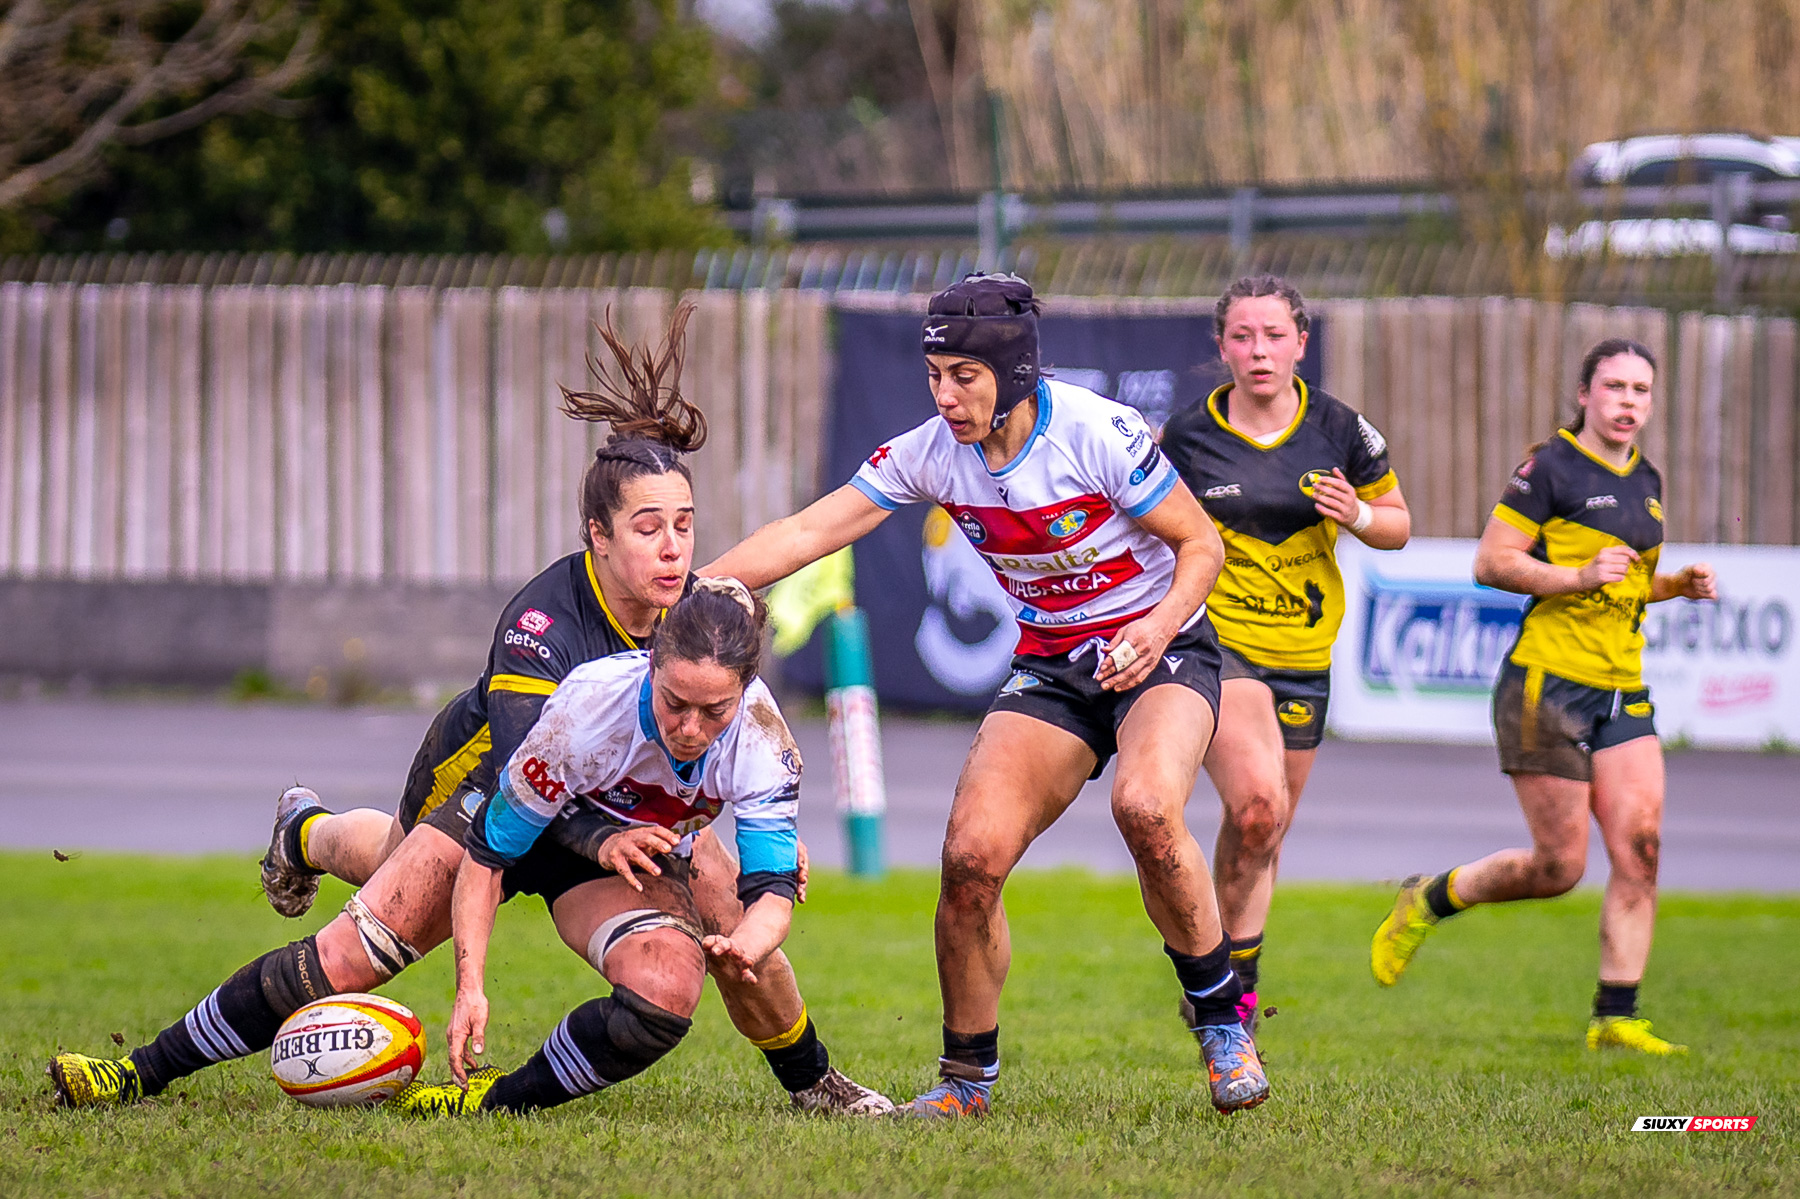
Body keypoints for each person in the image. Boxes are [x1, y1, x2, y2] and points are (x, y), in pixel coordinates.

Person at [45, 307, 889, 1116]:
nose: (672, 549)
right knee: (364, 931)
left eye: (684, 526)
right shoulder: (541, 630)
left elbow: (779, 590)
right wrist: (616, 844)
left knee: (730, 911)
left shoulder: (694, 620)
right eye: (647, 529)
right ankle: (147, 1055)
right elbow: (523, 804)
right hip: (488, 786)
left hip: (611, 810)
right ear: (597, 534)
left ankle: (814, 1083)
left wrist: (760, 830)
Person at [704, 272, 1270, 1117]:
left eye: (963, 376)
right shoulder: (933, 450)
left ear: (1012, 372)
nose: (945, 395)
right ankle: (967, 1082)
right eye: (935, 375)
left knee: (1147, 808)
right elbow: (809, 531)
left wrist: (1152, 631)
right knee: (969, 860)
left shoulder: (1096, 432)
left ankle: (1223, 1024)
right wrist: (695, 589)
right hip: (1053, 669)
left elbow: (1201, 547)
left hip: (1161, 651)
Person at [1369, 337, 1716, 1055]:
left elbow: (1623, 582)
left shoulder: (1646, 478)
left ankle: (1615, 1016)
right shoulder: (1548, 469)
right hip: (1545, 683)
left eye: (1641, 390)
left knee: (1642, 848)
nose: (1628, 401)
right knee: (1559, 866)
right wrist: (1576, 577)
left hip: (1624, 684)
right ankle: (1429, 897)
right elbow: (1491, 563)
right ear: (1585, 394)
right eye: (1614, 386)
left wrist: (1673, 586)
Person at [389, 582, 808, 1116]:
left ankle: (495, 1102)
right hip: (521, 813)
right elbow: (490, 854)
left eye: (714, 711)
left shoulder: (764, 741)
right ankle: (307, 834)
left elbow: (773, 892)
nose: (689, 728)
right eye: (675, 702)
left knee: (666, 992)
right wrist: (469, 988)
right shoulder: (587, 710)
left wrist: (746, 942)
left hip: (630, 856)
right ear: (652, 662)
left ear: (746, 689)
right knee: (362, 934)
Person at [1159, 276, 1410, 1032]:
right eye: (1243, 336)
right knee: (1258, 803)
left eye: (1274, 335)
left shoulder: (1341, 430)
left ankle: (1227, 979)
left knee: (1264, 831)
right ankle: (1228, 997)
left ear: (1302, 341)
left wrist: (1359, 512)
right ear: (1221, 346)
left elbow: (1398, 523)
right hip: (1221, 645)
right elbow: (1152, 525)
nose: (1259, 350)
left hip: (1306, 652)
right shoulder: (1189, 436)